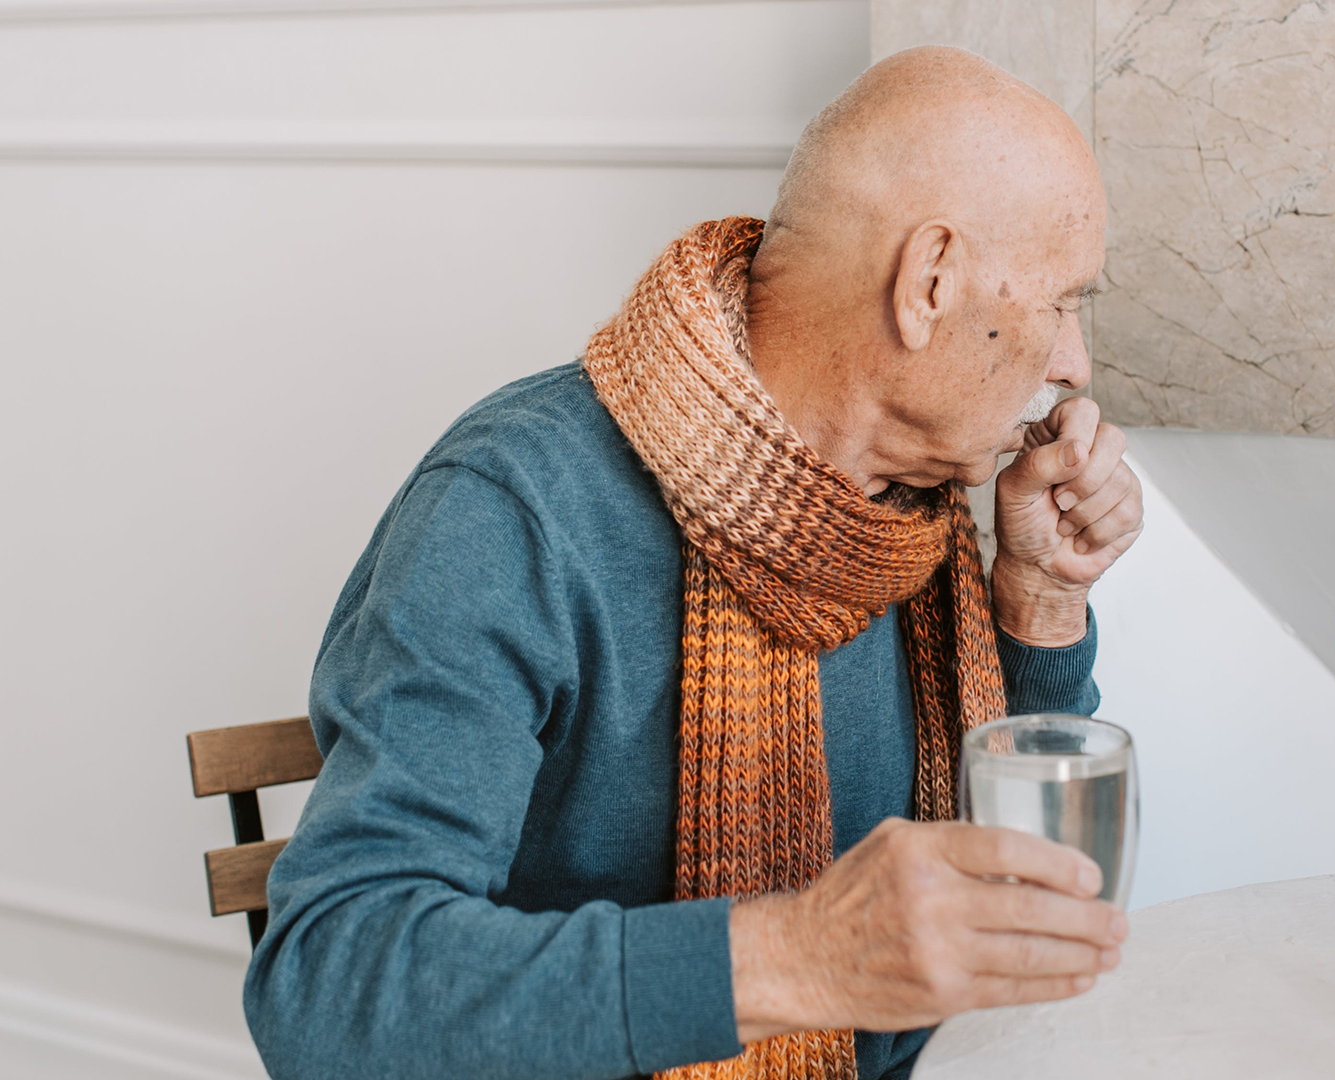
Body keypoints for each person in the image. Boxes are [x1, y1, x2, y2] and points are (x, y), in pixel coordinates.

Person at [244, 45, 1144, 1080]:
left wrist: (1038, 601)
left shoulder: (920, 515)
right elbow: (326, 983)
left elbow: (1008, 902)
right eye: (1063, 302)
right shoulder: (513, 509)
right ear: (929, 282)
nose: (1072, 364)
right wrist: (798, 956)